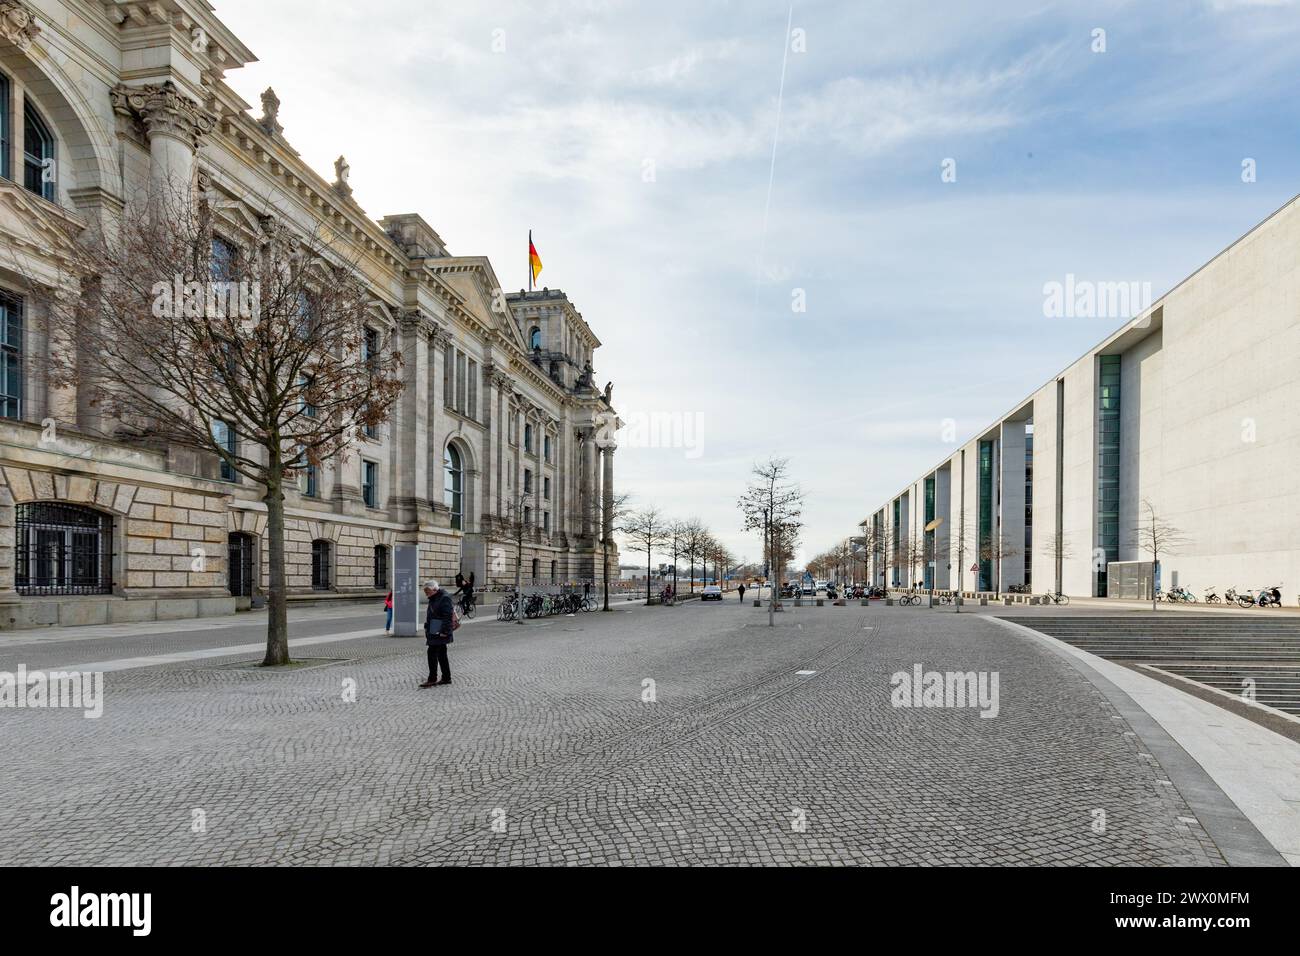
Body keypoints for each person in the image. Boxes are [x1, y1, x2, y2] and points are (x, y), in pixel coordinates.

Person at [420, 580, 454, 688]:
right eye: (425, 592)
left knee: (432, 653)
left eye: (428, 591)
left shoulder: (444, 598)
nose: (426, 594)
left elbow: (447, 616)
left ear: (434, 589)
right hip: (434, 629)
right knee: (442, 654)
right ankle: (446, 677)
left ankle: (432, 678)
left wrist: (444, 631)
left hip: (440, 631)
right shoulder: (434, 597)